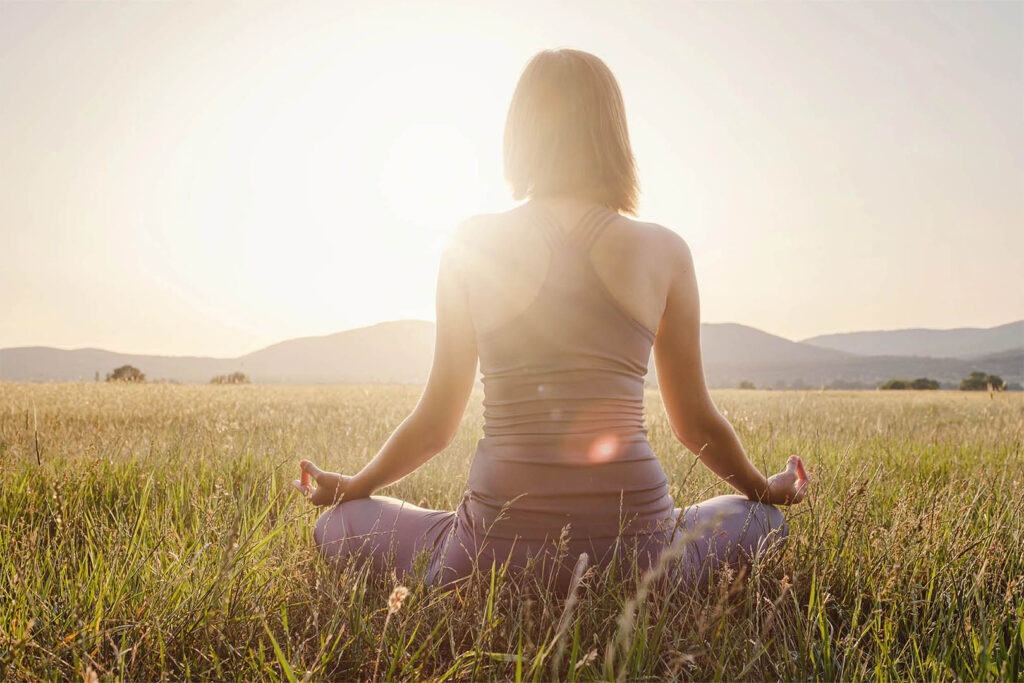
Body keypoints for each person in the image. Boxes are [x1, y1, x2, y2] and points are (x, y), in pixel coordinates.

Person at [293, 48, 809, 592]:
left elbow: (436, 425)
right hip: (641, 556)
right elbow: (695, 425)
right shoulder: (665, 251)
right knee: (765, 524)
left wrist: (357, 485)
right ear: (613, 135)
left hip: (489, 555)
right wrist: (762, 489)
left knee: (336, 526)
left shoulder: (470, 244)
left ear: (521, 134)